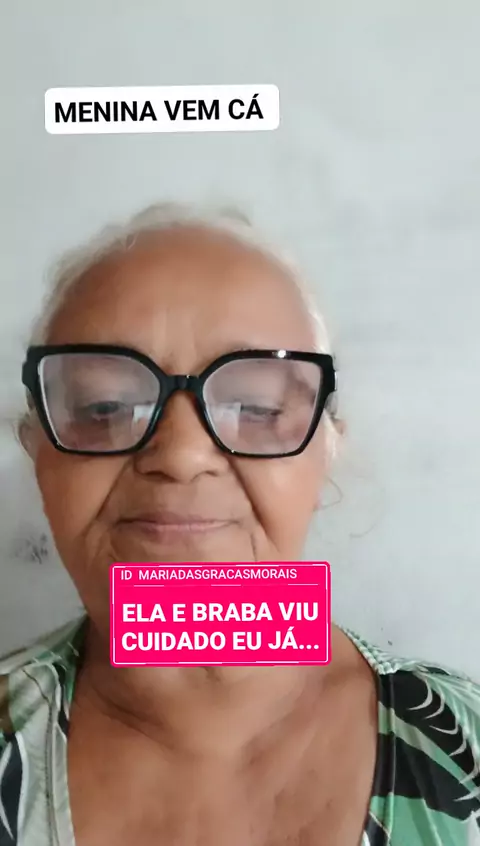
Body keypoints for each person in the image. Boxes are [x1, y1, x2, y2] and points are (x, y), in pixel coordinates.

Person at [0, 203, 479, 846]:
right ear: (37, 452)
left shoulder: (466, 752)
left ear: (325, 451)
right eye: (105, 406)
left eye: (255, 408)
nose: (181, 455)